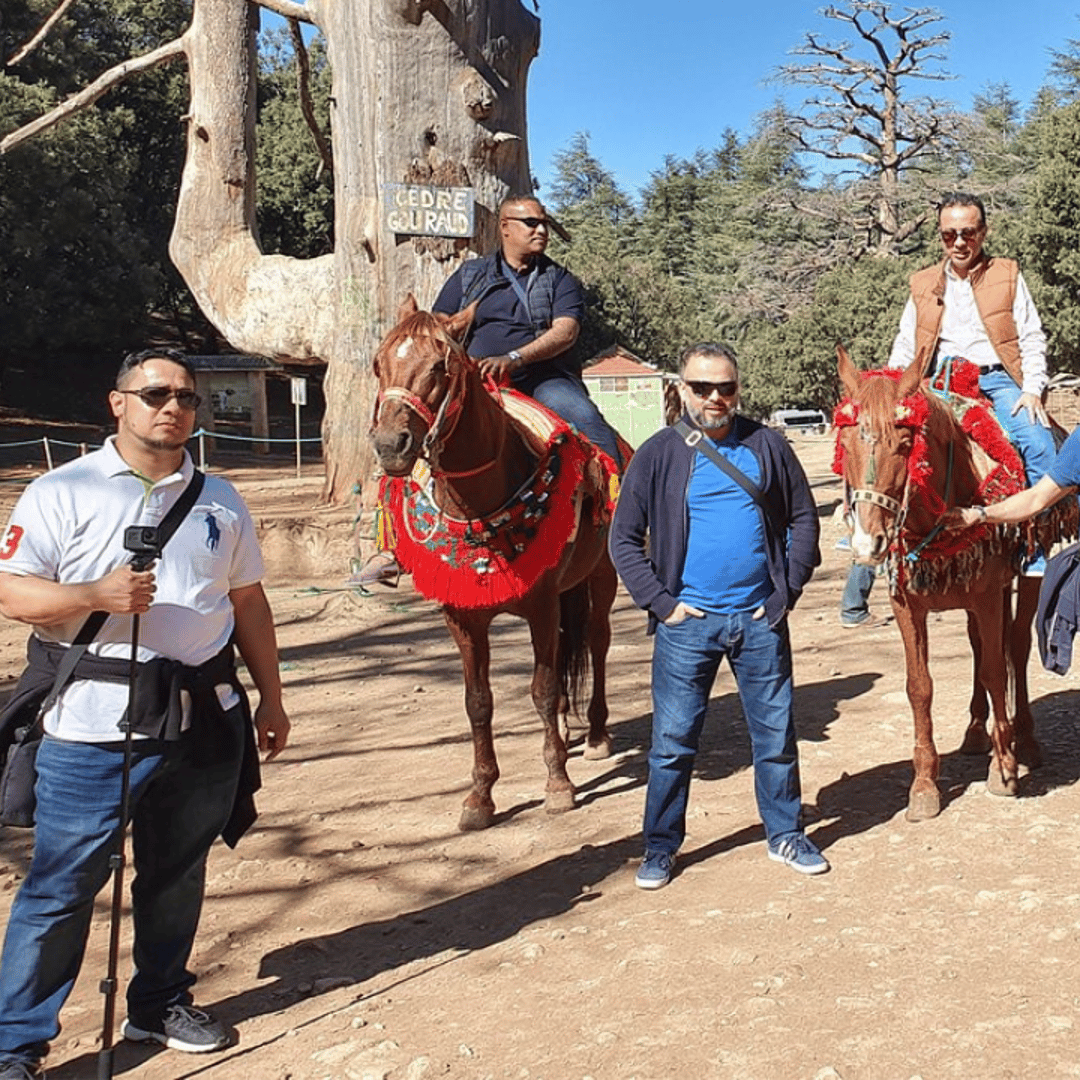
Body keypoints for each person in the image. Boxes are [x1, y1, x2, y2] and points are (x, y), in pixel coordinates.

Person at [0, 349, 290, 1079]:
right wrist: (93, 596)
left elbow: (247, 601)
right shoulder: (60, 492)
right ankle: (15, 1042)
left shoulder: (221, 496)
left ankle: (159, 1000)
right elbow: (12, 594)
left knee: (177, 871)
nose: (174, 407)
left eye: (187, 397)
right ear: (118, 403)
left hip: (204, 712)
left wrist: (272, 698)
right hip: (93, 724)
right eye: (155, 393)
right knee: (64, 884)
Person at [610, 342, 827, 890]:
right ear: (682, 389)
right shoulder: (657, 454)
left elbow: (804, 520)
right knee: (672, 742)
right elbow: (623, 540)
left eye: (724, 387)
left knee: (776, 736)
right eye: (701, 387)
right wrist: (663, 605)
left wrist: (783, 598)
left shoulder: (768, 446)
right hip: (689, 625)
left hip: (759, 620)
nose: (713, 398)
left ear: (737, 390)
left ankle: (785, 834)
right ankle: (660, 847)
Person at [357, 193, 622, 585]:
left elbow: (566, 331)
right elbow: (438, 327)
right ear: (505, 228)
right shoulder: (470, 277)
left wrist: (516, 358)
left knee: (591, 426)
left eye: (544, 223)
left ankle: (618, 525)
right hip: (475, 383)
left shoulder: (559, 280)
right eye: (531, 223)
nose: (541, 230)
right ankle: (394, 547)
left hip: (543, 380)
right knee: (413, 434)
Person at [888, 191, 1056, 569]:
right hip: (940, 381)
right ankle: (874, 547)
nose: (959, 242)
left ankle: (1037, 544)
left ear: (984, 231)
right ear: (940, 236)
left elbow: (1031, 335)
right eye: (950, 234)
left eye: (968, 232)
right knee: (887, 445)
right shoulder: (923, 283)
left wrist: (1032, 389)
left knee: (1040, 443)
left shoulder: (1007, 274)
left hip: (996, 378)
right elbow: (906, 343)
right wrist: (895, 389)